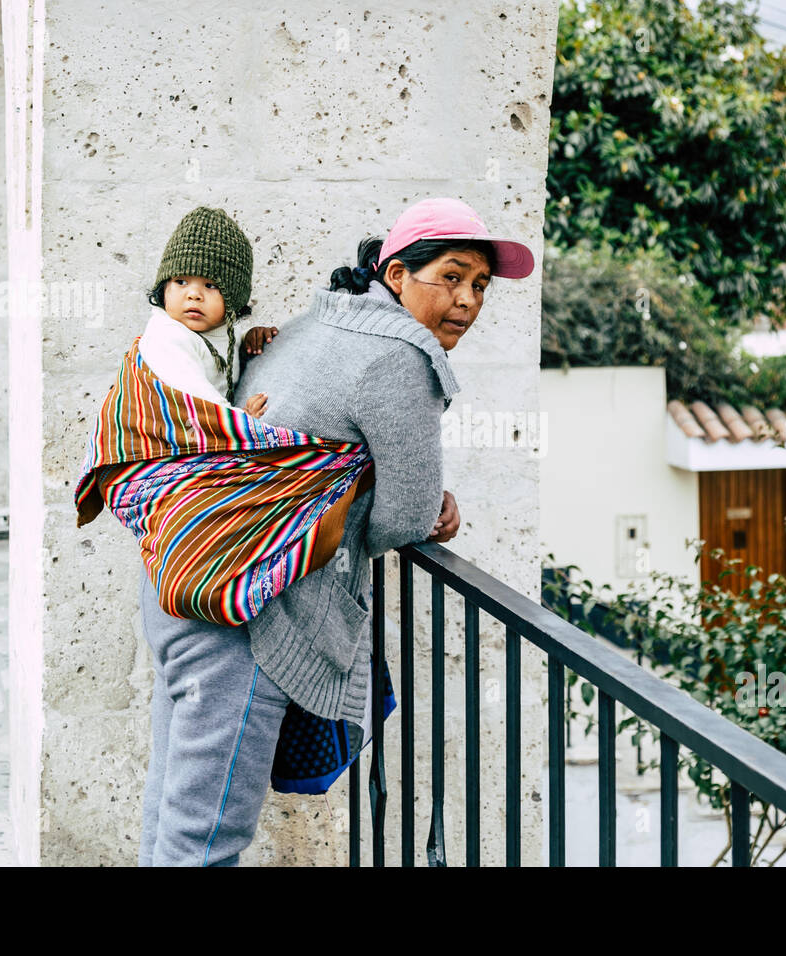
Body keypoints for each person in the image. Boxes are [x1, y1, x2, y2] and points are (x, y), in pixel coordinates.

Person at [136, 196, 535, 866]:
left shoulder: (319, 319)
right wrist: (411, 503)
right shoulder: (401, 355)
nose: (466, 300)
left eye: (480, 286)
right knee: (206, 838)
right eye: (452, 276)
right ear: (399, 276)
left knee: (172, 811)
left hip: (183, 576)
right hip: (246, 616)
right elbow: (409, 518)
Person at [136, 205, 278, 415]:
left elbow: (227, 358)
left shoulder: (222, 333)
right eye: (181, 281)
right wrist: (242, 419)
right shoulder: (166, 335)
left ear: (233, 299)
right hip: (159, 438)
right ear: (164, 287)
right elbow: (197, 401)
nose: (194, 294)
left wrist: (249, 342)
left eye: (210, 286)